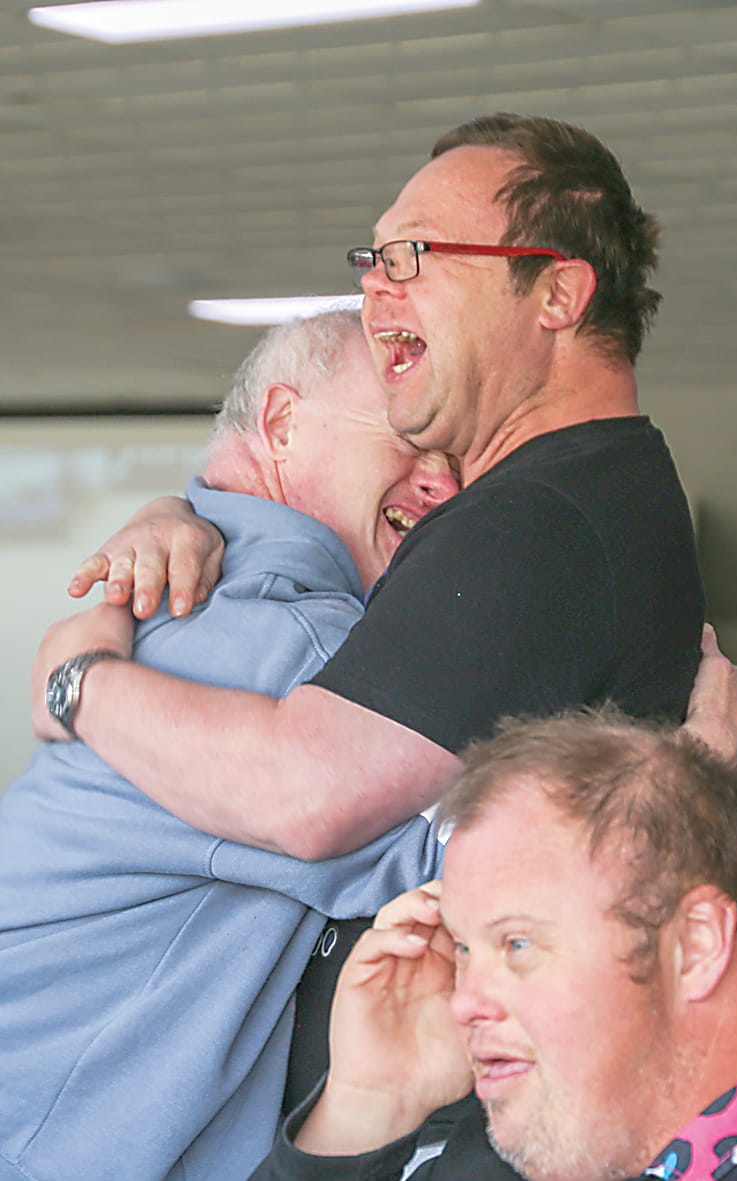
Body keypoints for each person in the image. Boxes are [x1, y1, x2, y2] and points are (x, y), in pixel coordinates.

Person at [31, 114, 737, 1111]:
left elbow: (316, 798)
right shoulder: (571, 496)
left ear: (556, 291)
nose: (377, 283)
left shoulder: (530, 523)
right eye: (373, 258)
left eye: (415, 253)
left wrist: (78, 677)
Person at [0, 311, 460, 1181]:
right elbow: (509, 857)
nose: (443, 481)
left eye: (456, 455)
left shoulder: (185, 594)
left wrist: (168, 507)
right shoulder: (296, 644)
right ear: (281, 423)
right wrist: (701, 747)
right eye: (410, 436)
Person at [260, 706, 737, 1181]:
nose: (463, 1003)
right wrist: (369, 1107)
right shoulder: (498, 1156)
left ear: (695, 945)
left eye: (516, 944)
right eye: (462, 948)